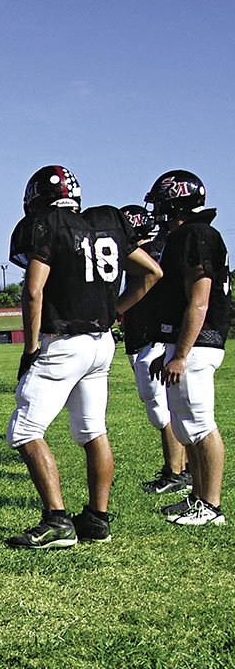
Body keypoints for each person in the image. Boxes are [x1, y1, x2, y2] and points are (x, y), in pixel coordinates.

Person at [5, 165, 162, 549]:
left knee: (25, 431)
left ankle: (57, 521)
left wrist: (30, 347)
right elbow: (152, 273)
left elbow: (33, 291)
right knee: (92, 430)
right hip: (101, 342)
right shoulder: (108, 220)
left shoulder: (47, 225)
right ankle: (97, 517)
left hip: (63, 342)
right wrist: (115, 312)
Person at [144, 170, 230, 526]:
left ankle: (210, 506)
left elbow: (199, 300)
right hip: (185, 343)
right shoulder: (189, 234)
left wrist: (180, 353)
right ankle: (197, 496)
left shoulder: (196, 235)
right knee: (184, 426)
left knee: (199, 423)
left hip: (197, 343)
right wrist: (170, 350)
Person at [120, 204, 189, 494]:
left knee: (161, 409)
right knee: (166, 407)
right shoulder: (156, 249)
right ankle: (180, 469)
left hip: (153, 339)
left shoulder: (153, 252)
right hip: (149, 338)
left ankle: (176, 472)